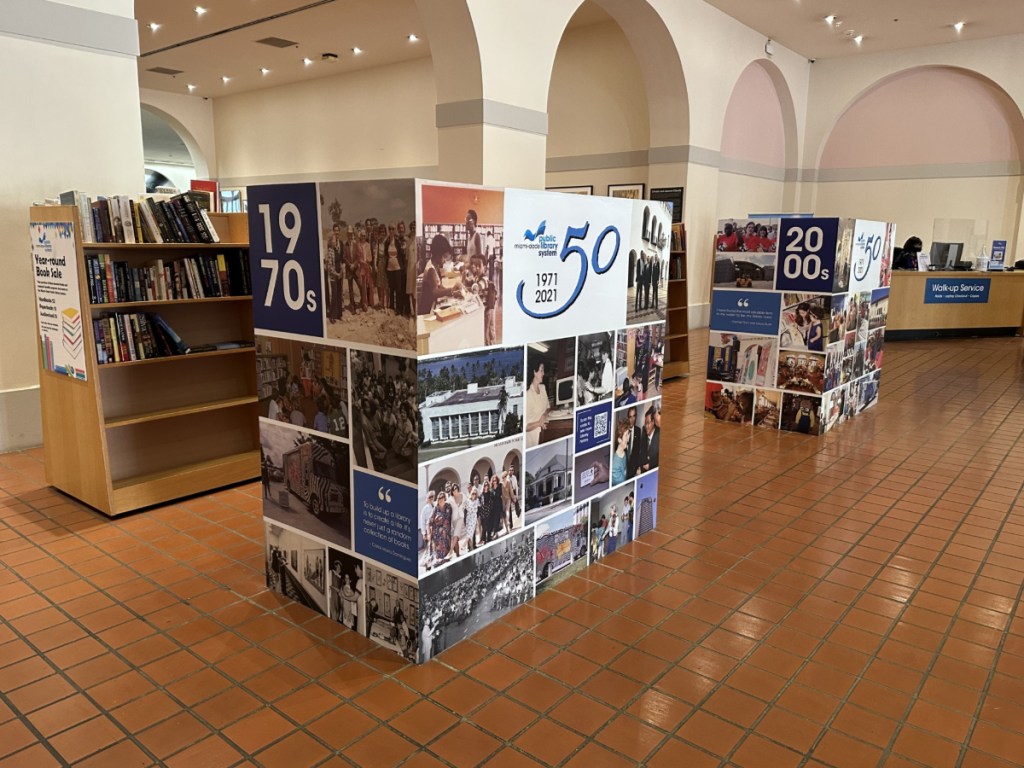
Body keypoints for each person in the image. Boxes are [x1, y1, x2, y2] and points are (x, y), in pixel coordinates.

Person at [418, 234, 458, 316]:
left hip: (432, 305)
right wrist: (450, 290)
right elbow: (435, 292)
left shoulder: (436, 266)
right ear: (437, 254)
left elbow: (439, 286)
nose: (445, 260)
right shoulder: (431, 269)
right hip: (428, 310)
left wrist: (452, 292)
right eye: (444, 257)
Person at [525, 360, 549, 448]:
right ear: (534, 372)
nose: (543, 373)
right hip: (532, 441)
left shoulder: (543, 388)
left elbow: (548, 407)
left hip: (544, 434)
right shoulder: (527, 394)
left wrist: (544, 414)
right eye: (541, 370)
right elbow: (525, 427)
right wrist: (539, 423)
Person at [638, 404, 660, 475]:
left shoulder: (659, 435)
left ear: (653, 422)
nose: (646, 426)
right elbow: (641, 454)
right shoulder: (643, 432)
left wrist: (650, 465)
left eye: (648, 423)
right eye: (645, 423)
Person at [611, 419, 630, 486]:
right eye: (626, 435)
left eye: (628, 434)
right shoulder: (614, 467)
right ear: (619, 440)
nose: (628, 439)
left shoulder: (624, 454)